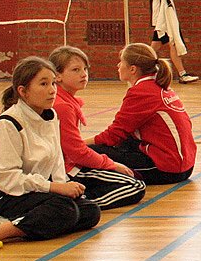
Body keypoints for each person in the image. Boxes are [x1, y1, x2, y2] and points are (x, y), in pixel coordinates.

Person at [0, 57, 101, 253]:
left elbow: (56, 162)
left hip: (31, 191)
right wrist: (54, 188)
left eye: (53, 83)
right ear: (23, 91)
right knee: (64, 209)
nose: (52, 90)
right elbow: (7, 179)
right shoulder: (8, 124)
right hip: (0, 195)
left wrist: (63, 186)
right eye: (44, 84)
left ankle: (3, 222)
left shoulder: (50, 116)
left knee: (89, 211)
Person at [49, 46, 146, 209]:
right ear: (57, 76)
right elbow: (76, 152)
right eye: (76, 70)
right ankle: (78, 205)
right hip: (66, 170)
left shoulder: (65, 101)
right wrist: (112, 164)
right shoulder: (63, 106)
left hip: (67, 165)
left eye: (85, 69)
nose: (83, 74)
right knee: (135, 186)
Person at [85, 43, 196, 185]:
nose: (118, 66)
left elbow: (112, 135)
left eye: (121, 62)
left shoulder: (141, 92)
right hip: (185, 165)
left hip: (168, 169)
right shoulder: (160, 86)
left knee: (90, 152)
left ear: (132, 69)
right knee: (124, 142)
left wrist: (79, 144)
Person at [147, 0, 199, 84]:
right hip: (161, 19)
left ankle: (182, 74)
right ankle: (140, 67)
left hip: (168, 18)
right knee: (159, 47)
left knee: (163, 46)